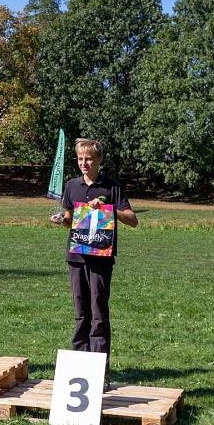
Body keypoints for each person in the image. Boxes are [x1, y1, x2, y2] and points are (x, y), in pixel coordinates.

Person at [51, 138, 138, 388]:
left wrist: (108, 207)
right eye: (80, 159)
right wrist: (61, 220)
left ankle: (101, 372)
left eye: (88, 159)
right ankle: (79, 369)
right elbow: (70, 218)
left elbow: (133, 220)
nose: (84, 163)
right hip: (76, 257)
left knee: (98, 313)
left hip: (101, 258)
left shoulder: (111, 186)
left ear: (99, 160)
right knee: (81, 314)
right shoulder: (72, 186)